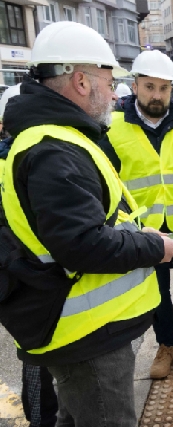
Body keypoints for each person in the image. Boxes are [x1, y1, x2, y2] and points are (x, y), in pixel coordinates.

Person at [0, 21, 173, 427]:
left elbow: (93, 220)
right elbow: (83, 244)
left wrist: (140, 234)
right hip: (85, 335)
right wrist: (155, 247)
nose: (116, 91)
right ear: (81, 81)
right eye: (108, 80)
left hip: (85, 332)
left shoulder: (58, 138)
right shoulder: (53, 150)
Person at [98, 50, 173, 379]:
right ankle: (166, 346)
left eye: (163, 88)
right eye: (149, 86)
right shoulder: (114, 124)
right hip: (144, 228)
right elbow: (106, 178)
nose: (157, 95)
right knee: (157, 290)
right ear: (135, 85)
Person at [0, 84, 58, 427]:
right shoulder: (22, 159)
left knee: (42, 366)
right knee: (38, 367)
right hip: (27, 282)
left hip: (31, 280)